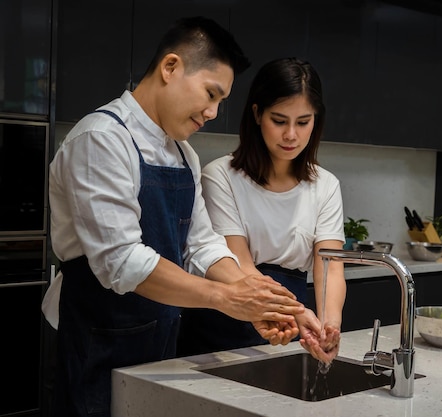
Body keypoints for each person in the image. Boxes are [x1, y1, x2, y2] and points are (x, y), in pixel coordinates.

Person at [41, 17, 305, 417]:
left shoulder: (184, 154)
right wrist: (228, 298)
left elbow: (202, 244)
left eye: (221, 102)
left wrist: (264, 300)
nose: (214, 112)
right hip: (94, 343)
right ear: (170, 67)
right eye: (211, 94)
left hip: (159, 342)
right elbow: (123, 261)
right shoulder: (101, 139)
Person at [177, 57, 346, 365]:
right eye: (279, 121)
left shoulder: (326, 185)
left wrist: (328, 326)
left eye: (303, 122)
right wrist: (295, 311)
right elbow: (239, 263)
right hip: (220, 325)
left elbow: (331, 267)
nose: (291, 135)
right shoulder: (221, 176)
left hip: (285, 325)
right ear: (256, 114)